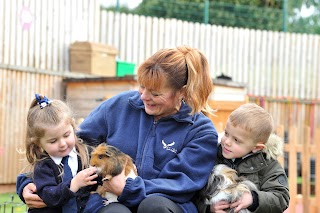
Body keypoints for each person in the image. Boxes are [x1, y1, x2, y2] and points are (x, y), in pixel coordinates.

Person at [17, 45, 219, 213]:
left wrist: (128, 188)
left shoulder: (201, 131)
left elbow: (181, 185)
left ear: (182, 92)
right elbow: (73, 147)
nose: (143, 96)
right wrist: (27, 182)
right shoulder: (120, 106)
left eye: (155, 93)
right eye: (142, 86)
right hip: (110, 199)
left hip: (168, 204)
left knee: (154, 206)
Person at [16, 94, 104, 213]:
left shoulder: (85, 153)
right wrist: (73, 184)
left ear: (73, 127)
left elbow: (99, 176)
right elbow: (49, 197)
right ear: (39, 143)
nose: (62, 144)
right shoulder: (43, 166)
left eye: (66, 135)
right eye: (53, 141)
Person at [208, 103, 290, 213]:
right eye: (226, 133)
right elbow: (196, 193)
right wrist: (208, 208)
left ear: (257, 147)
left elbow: (281, 198)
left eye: (236, 140)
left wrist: (254, 199)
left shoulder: (268, 165)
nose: (227, 142)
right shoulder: (213, 156)